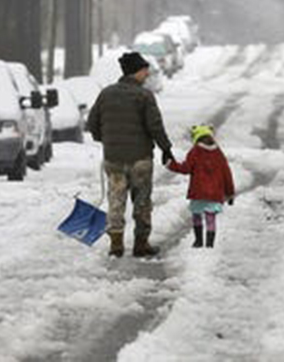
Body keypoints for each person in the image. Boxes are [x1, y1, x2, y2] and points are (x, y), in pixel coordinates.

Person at [87, 51, 174, 258]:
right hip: (140, 159)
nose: (147, 74)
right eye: (145, 70)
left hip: (113, 159)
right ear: (137, 71)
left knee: (116, 199)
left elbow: (92, 123)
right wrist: (166, 149)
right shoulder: (144, 96)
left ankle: (116, 244)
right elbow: (155, 126)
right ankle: (141, 244)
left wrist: (106, 139)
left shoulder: (106, 94)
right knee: (142, 202)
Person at [166, 124, 235, 249]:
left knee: (197, 215)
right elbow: (227, 174)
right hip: (214, 193)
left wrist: (171, 164)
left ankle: (198, 241)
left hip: (198, 192)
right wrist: (230, 193)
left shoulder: (195, 152)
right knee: (210, 218)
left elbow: (186, 168)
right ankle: (209, 244)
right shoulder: (219, 154)